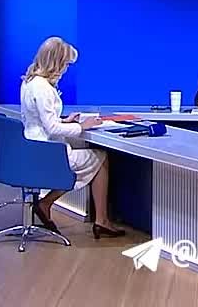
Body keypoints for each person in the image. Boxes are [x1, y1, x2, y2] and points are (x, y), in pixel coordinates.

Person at [20, 36, 126, 239]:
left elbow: (39, 119)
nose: (66, 69)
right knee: (100, 157)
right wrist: (81, 126)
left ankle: (46, 203)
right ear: (56, 62)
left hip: (32, 148)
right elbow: (51, 128)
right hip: (47, 152)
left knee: (87, 161)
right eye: (66, 64)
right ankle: (101, 220)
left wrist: (65, 120)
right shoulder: (43, 88)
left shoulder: (29, 82)